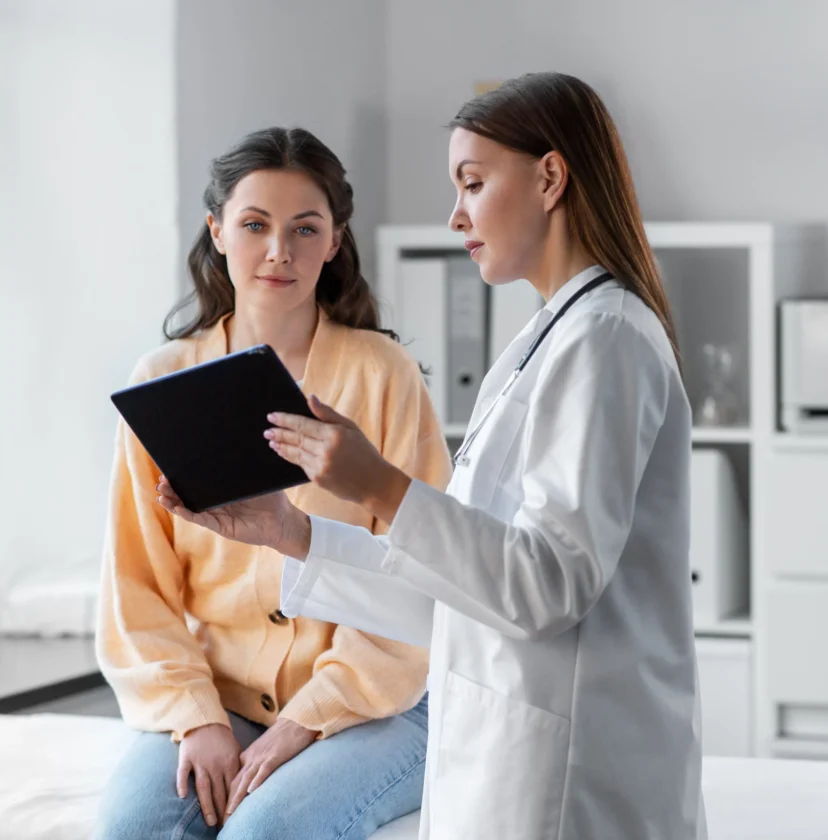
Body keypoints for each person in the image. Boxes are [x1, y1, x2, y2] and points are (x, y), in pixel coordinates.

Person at [159, 74, 707, 839]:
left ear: (551, 177)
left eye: (474, 184)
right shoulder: (545, 342)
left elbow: (547, 586)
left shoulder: (605, 340)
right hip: (505, 758)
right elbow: (463, 591)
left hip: (571, 782)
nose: (455, 216)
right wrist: (297, 534)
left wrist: (380, 486)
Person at [94, 127, 452, 840]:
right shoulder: (162, 383)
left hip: (374, 700)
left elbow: (420, 575)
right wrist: (197, 717)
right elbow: (135, 588)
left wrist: (301, 724)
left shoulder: (383, 377)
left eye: (304, 229)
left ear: (335, 241)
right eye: (255, 225)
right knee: (133, 829)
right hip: (216, 693)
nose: (279, 251)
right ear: (218, 231)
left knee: (263, 833)